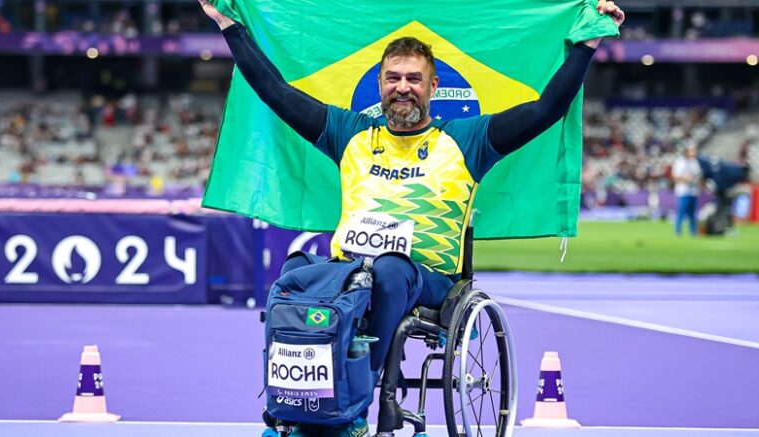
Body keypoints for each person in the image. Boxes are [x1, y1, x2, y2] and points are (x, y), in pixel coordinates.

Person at [199, 1, 624, 435]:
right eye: (393, 78)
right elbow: (275, 91)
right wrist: (229, 25)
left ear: (433, 86)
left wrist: (587, 43)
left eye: (414, 79)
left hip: (427, 277)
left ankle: (349, 413)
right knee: (292, 276)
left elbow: (545, 109)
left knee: (389, 271)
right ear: (379, 84)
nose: (403, 88)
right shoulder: (351, 135)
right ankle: (285, 412)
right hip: (351, 271)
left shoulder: (467, 139)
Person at [672, 143, 702, 236]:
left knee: (693, 213)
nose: (693, 152)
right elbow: (675, 176)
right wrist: (686, 179)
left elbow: (699, 175)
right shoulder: (680, 162)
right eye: (691, 150)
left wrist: (697, 182)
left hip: (693, 191)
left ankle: (693, 231)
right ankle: (678, 231)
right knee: (682, 211)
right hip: (683, 191)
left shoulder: (695, 162)